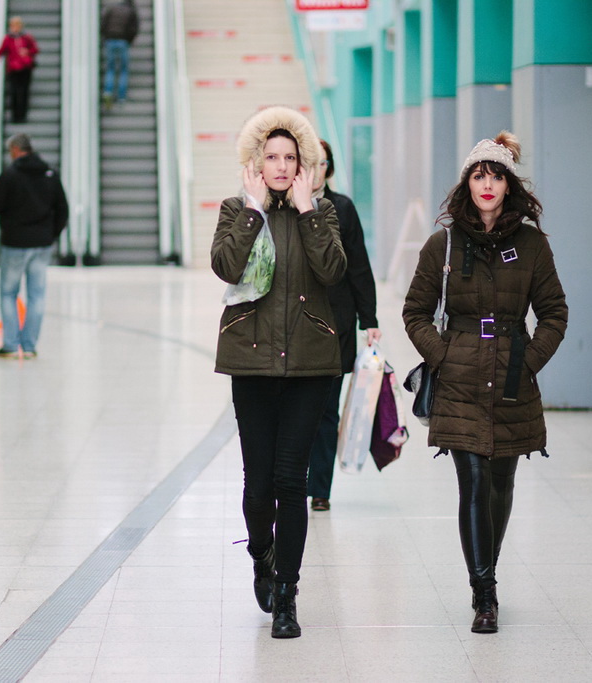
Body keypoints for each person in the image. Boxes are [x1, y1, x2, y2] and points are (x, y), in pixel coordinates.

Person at [402, 131, 567, 634]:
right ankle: (485, 594)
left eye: (496, 174)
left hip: (513, 379)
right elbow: (415, 313)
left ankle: (485, 570)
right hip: (461, 382)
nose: (488, 183)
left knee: (500, 484)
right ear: (466, 185)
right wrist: (446, 356)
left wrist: (529, 361)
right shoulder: (443, 245)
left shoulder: (533, 244)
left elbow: (555, 314)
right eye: (479, 174)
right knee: (472, 482)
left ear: (509, 184)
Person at [211, 106, 346, 639]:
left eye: (292, 158)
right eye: (272, 157)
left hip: (311, 363)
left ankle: (287, 594)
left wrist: (310, 211)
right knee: (257, 481)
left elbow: (333, 270)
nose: (282, 166)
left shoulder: (324, 212)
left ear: (305, 164)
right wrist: (252, 211)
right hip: (251, 358)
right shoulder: (235, 209)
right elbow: (225, 265)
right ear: (256, 163)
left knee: (291, 481)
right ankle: (261, 558)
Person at [306, 139, 381, 512]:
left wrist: (369, 319)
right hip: (297, 328)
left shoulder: (343, 208)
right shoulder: (285, 206)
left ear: (329, 168)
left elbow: (359, 267)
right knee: (297, 410)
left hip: (336, 323)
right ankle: (294, 479)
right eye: (309, 162)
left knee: (327, 409)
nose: (315, 170)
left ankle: (320, 488)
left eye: (321, 163)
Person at [0, 134, 69, 359]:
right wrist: (50, 235)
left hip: (14, 242)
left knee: (8, 293)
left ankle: (11, 346)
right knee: (37, 295)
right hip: (41, 244)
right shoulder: (49, 174)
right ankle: (30, 346)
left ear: (15, 149)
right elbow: (63, 209)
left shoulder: (10, 175)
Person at [0, 16, 38, 123]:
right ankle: (15, 116)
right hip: (13, 69)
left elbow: (35, 49)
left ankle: (23, 115)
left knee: (24, 92)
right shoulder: (8, 39)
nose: (15, 28)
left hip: (25, 68)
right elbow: (2, 50)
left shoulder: (26, 38)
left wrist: (27, 51)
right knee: (14, 92)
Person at [100, 0, 140, 110]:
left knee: (110, 68)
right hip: (123, 42)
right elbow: (134, 29)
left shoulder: (112, 9)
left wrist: (106, 37)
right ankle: (121, 97)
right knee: (123, 69)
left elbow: (103, 24)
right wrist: (129, 41)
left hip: (110, 41)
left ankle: (108, 92)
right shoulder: (131, 11)